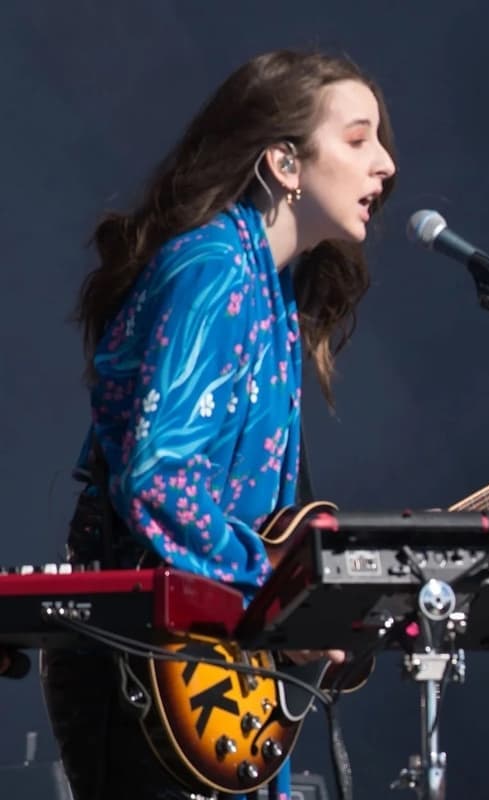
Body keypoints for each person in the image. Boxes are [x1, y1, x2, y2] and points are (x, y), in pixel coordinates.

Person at [42, 49, 397, 800]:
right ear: (283, 163)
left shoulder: (269, 291)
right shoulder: (211, 272)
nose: (386, 164)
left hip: (202, 665)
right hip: (147, 661)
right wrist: (285, 594)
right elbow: (161, 480)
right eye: (359, 138)